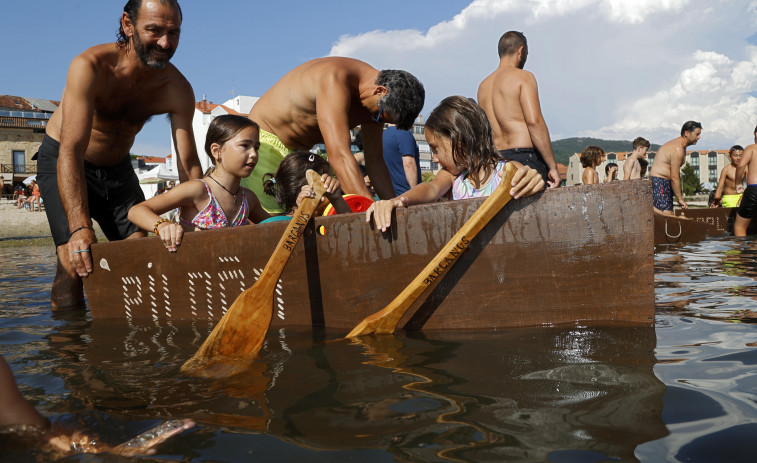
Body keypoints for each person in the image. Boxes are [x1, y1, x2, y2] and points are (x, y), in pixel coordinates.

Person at [36, 0, 202, 309]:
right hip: (67, 160)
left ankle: (127, 339)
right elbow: (70, 150)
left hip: (119, 169)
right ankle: (68, 347)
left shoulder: (176, 87)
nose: (165, 43)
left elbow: (188, 163)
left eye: (174, 33)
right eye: (154, 30)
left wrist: (201, 217)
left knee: (138, 254)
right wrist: (80, 227)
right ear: (128, 24)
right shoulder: (91, 66)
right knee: (75, 259)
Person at [245, 57, 425, 212]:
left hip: (298, 156)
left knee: (307, 216)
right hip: (266, 142)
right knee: (278, 221)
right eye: (379, 116)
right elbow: (339, 154)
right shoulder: (335, 78)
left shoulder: (375, 105)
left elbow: (375, 161)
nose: (376, 121)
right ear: (380, 91)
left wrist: (391, 206)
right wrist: (370, 210)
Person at [366, 96, 544, 232]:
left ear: (457, 141)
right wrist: (398, 201)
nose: (435, 159)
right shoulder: (453, 177)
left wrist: (532, 180)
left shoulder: (507, 172)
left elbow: (531, 187)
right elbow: (431, 189)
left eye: (435, 149)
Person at [128, 115, 269, 252]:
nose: (254, 154)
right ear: (217, 151)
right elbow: (136, 211)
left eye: (256, 147)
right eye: (245, 145)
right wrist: (162, 225)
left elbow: (278, 224)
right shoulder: (198, 190)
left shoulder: (248, 198)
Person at [477, 31, 559, 189]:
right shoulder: (524, 77)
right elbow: (534, 122)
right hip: (526, 159)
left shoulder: (483, 86)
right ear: (521, 51)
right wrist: (552, 167)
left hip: (497, 163)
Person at [260, 151, 351, 223]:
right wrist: (305, 209)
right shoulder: (276, 224)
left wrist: (337, 199)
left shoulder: (328, 218)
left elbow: (353, 229)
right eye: (325, 186)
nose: (330, 188)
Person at [649, 121, 702, 215]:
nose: (699, 137)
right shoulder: (677, 149)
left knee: (667, 216)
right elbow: (674, 176)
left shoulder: (681, 147)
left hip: (663, 182)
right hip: (659, 182)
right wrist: (680, 199)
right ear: (686, 133)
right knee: (666, 216)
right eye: (697, 134)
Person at [383, 125, 421, 195]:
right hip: (406, 195)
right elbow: (409, 164)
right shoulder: (404, 133)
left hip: (390, 194)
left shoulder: (383, 135)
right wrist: (416, 193)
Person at [734, 126, 757, 236]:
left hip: (754, 189)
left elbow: (741, 165)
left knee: (740, 227)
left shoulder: (752, 148)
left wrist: (738, 183)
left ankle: (743, 253)